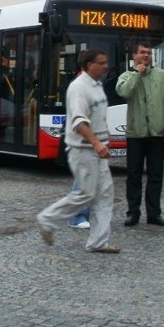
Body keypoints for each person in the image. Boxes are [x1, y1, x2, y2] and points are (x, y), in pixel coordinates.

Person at [36, 49, 120, 253]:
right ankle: (47, 220)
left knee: (104, 195)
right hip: (83, 150)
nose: (105, 66)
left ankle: (98, 242)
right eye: (101, 63)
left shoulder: (96, 84)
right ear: (89, 64)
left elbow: (95, 114)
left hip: (96, 149)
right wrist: (97, 143)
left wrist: (105, 133)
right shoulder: (79, 88)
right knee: (85, 194)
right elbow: (78, 122)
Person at [116, 43, 164, 227]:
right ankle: (133, 213)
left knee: (155, 175)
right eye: (142, 52)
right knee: (134, 175)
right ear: (134, 55)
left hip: (157, 133)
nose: (146, 56)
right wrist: (137, 73)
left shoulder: (162, 75)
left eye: (149, 53)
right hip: (136, 133)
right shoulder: (126, 76)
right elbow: (123, 92)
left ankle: (154, 213)